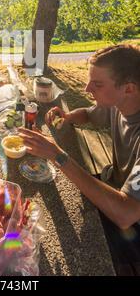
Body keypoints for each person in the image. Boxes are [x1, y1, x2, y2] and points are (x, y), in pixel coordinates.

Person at [19, 44, 140, 275]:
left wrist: (57, 155)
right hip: (114, 187)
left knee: (73, 252)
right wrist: (68, 116)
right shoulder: (118, 104)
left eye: (97, 84)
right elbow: (90, 114)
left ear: (129, 88)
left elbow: (126, 214)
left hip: (131, 225)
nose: (86, 88)